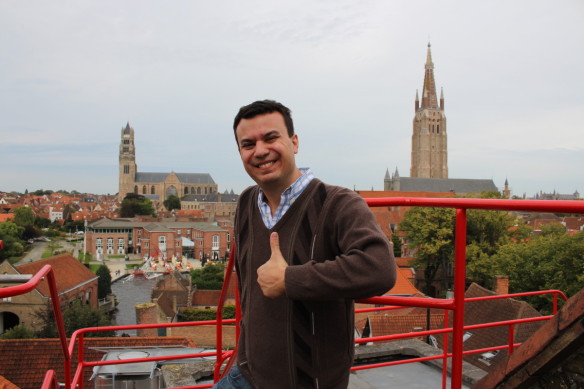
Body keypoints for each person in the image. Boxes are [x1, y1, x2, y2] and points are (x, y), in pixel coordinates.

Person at [213, 100, 396, 389]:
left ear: (294, 142)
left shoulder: (338, 204)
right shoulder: (246, 203)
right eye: (248, 144)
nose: (260, 151)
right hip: (246, 375)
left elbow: (380, 268)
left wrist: (289, 279)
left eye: (271, 138)